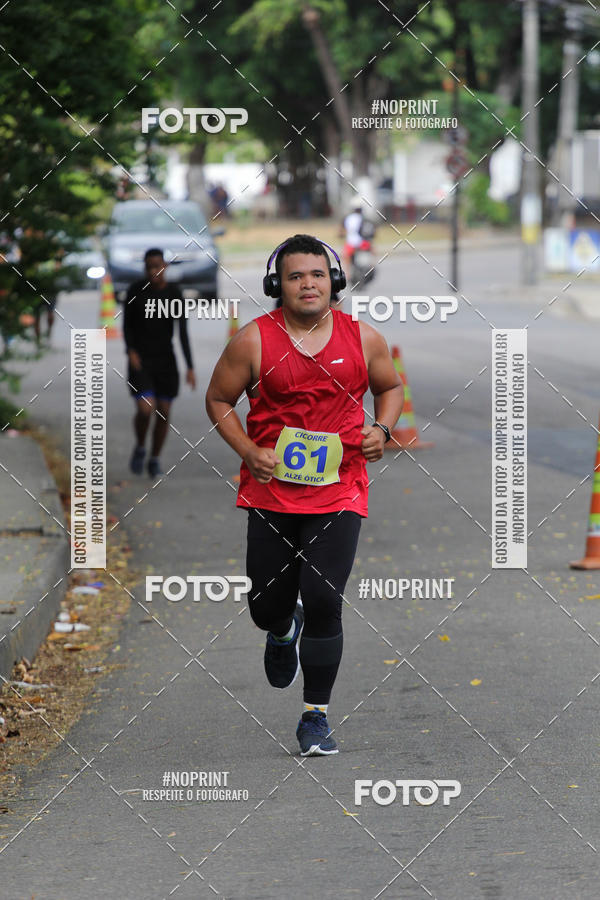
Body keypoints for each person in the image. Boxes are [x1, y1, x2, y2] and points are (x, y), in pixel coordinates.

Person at [205, 233, 403, 756]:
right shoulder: (253, 341)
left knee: (323, 598)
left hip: (340, 490)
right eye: (295, 276)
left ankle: (315, 716)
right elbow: (219, 399)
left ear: (333, 280)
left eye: (317, 274)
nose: (308, 284)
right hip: (270, 494)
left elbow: (391, 387)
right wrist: (247, 449)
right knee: (266, 606)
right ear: (278, 285)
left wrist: (381, 430)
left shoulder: (363, 340)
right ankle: (279, 628)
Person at [123, 248, 196, 478]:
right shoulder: (136, 290)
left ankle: (154, 457)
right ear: (145, 268)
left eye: (158, 266)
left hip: (166, 360)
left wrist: (190, 366)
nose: (154, 271)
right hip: (141, 360)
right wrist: (130, 351)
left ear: (165, 267)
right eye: (149, 266)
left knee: (163, 411)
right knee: (146, 409)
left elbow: (182, 331)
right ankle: (140, 446)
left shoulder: (174, 293)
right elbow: (127, 325)